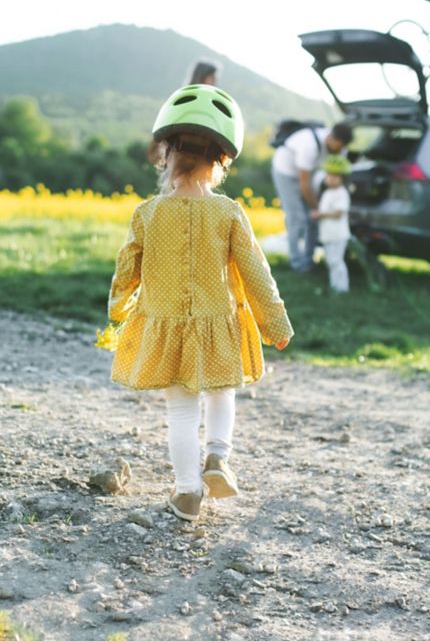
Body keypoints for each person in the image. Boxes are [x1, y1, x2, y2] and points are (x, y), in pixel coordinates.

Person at [106, 84, 294, 523]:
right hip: (218, 324)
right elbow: (256, 273)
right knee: (221, 392)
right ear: (221, 163)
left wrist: (117, 309)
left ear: (165, 153)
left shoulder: (148, 213)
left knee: (181, 409)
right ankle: (218, 458)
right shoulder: (229, 213)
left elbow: (126, 269)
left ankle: (188, 493)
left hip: (167, 326)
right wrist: (276, 325)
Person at [271, 122, 353, 272]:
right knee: (297, 218)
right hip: (286, 172)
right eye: (339, 146)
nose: (341, 150)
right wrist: (316, 207)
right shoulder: (310, 145)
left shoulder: (341, 149)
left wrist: (320, 208)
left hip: (310, 174)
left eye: (343, 147)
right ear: (332, 139)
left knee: (312, 219)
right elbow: (304, 185)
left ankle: (309, 261)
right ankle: (298, 263)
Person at [310, 155, 352, 293]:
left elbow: (339, 213)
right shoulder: (328, 192)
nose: (331, 178)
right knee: (331, 261)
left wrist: (320, 214)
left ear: (342, 179)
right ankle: (335, 285)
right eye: (329, 175)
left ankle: (343, 287)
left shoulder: (341, 193)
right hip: (328, 234)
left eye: (335, 176)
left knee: (336, 261)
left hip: (338, 234)